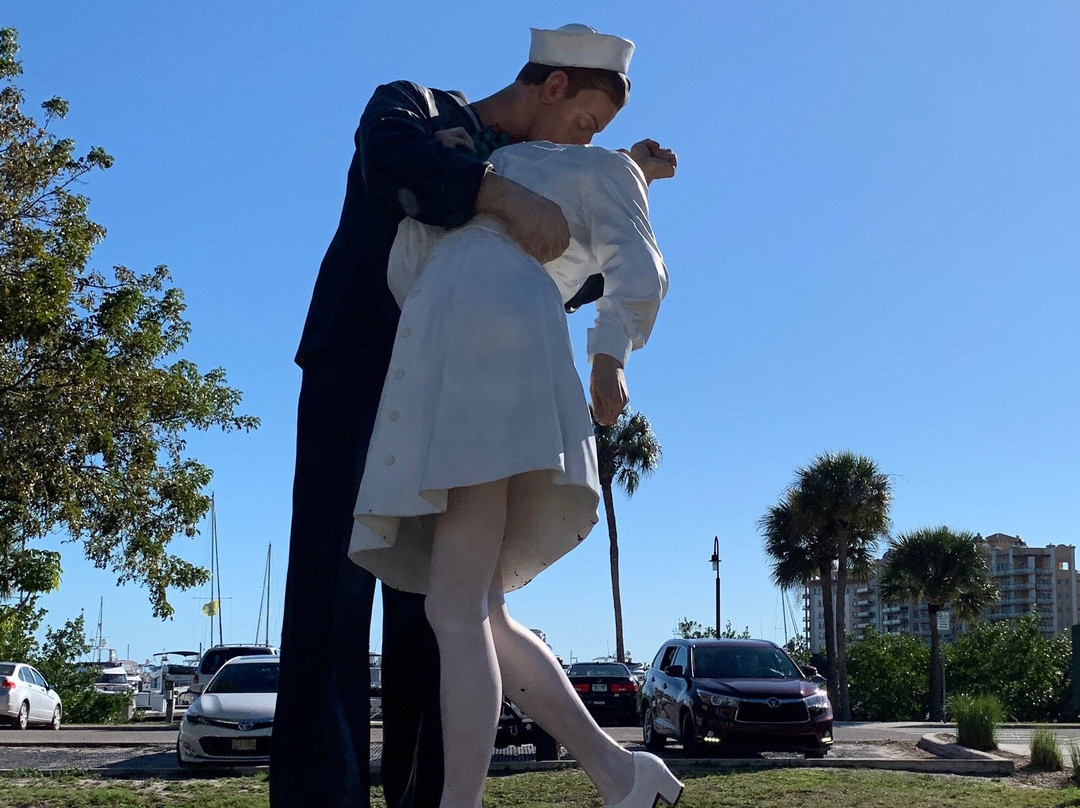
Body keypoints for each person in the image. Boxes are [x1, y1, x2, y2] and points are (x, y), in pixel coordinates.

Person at [273, 24, 650, 808]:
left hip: (458, 389)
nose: (585, 141)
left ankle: (432, 797)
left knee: (439, 612)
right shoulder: (412, 105)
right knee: (332, 595)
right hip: (358, 374)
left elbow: (546, 280)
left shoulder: (551, 172)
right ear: (552, 87)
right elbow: (394, 162)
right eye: (584, 124)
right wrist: (498, 192)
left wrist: (607, 189)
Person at [348, 133, 680, 808]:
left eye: (593, 117)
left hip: (486, 346)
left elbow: (638, 264)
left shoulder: (575, 173)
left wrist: (609, 354)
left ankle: (467, 804)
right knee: (471, 609)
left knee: (459, 609)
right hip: (461, 346)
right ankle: (622, 776)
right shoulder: (497, 171)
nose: (583, 131)